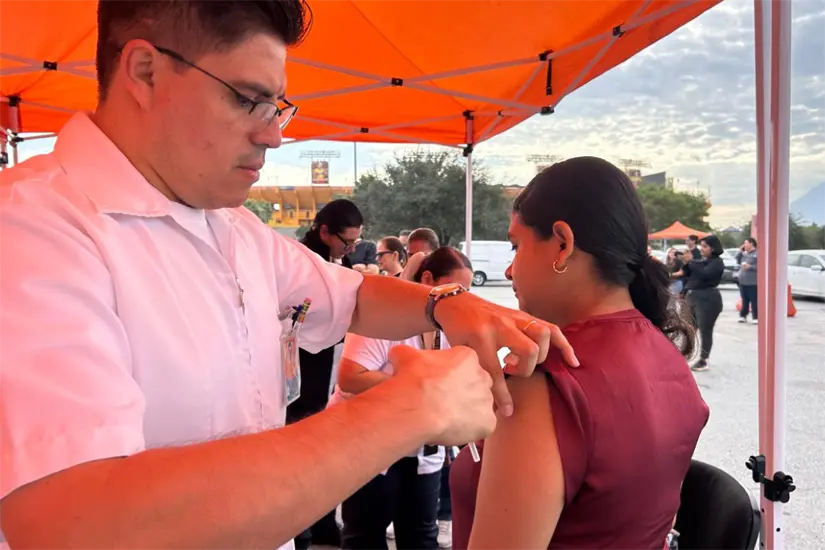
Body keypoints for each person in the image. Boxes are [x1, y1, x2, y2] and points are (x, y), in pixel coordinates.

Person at [0, 2, 580, 550]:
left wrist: (446, 304)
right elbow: (69, 519)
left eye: (276, 106)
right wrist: (406, 410)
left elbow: (350, 297)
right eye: (248, 99)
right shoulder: (31, 227)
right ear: (145, 71)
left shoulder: (229, 225)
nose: (273, 134)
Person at [449, 157, 709, 550]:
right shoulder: (668, 355)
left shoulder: (545, 382)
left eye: (516, 246)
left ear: (562, 243)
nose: (509, 271)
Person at [331, 247, 473, 550]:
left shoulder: (452, 327)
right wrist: (418, 387)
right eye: (457, 291)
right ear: (427, 280)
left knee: (421, 536)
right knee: (365, 536)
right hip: (370, 446)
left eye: (468, 292)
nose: (465, 300)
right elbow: (351, 377)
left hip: (423, 450)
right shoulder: (385, 318)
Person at [289, 199, 363, 549]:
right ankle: (303, 532)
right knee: (300, 463)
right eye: (345, 242)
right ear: (323, 231)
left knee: (322, 459)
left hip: (329, 377)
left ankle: (322, 525)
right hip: (299, 381)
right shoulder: (300, 262)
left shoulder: (343, 261)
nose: (350, 249)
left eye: (354, 243)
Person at [679, 235, 725, 371]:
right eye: (701, 246)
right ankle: (684, 354)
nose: (702, 249)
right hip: (692, 296)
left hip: (708, 299)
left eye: (705, 246)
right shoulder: (701, 261)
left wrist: (691, 263)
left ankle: (704, 359)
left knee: (705, 330)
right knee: (687, 327)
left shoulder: (717, 262)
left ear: (713, 248)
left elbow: (705, 275)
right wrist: (686, 263)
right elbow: (690, 275)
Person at [736, 238, 758, 324]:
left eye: (746, 243)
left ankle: (755, 317)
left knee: (754, 300)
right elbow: (737, 260)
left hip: (753, 281)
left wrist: (750, 267)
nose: (744, 245)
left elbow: (760, 266)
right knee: (744, 299)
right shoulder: (744, 254)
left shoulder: (757, 254)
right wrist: (740, 251)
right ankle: (742, 315)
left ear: (751, 244)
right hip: (743, 281)